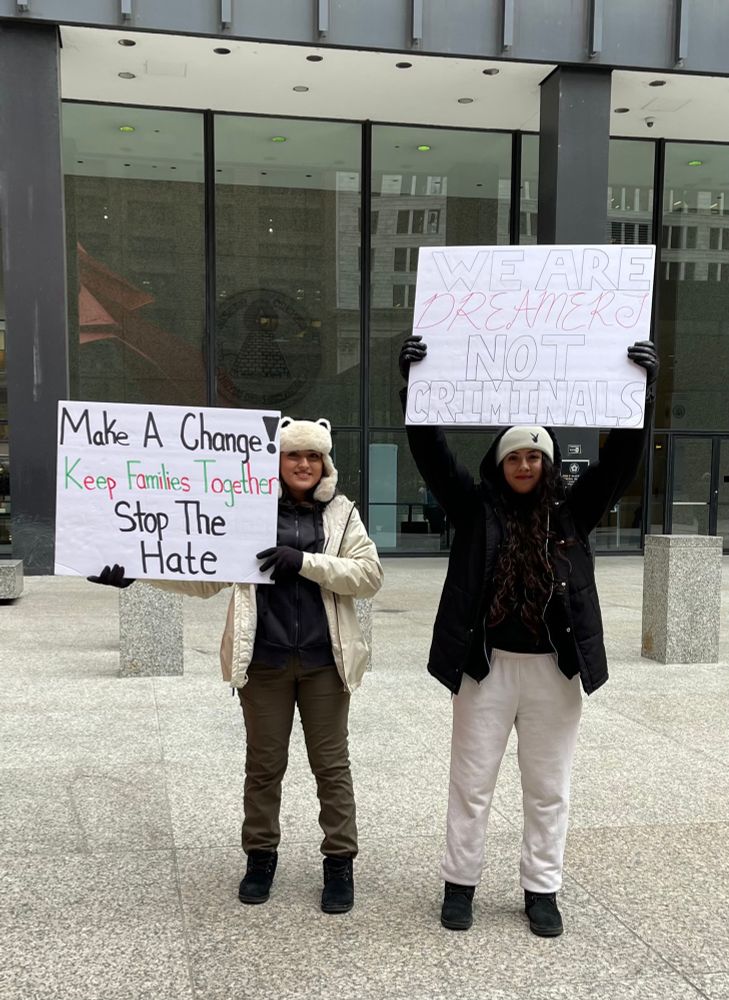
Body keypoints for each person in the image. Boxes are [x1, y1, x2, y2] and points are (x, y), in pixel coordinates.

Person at [398, 335, 658, 937]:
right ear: (499, 463)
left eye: (534, 457)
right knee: (471, 782)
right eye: (514, 456)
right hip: (485, 667)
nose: (524, 465)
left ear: (546, 465)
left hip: (553, 670)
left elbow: (619, 461)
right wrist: (415, 388)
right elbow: (432, 454)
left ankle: (542, 889)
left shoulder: (573, 512)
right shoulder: (473, 508)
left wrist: (640, 395)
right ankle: (460, 885)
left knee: (548, 789)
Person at [89, 416, 383, 914]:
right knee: (264, 766)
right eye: (294, 455)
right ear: (278, 460)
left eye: (313, 455)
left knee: (332, 768)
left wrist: (306, 562)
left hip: (325, 665)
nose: (304, 464)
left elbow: (369, 575)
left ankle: (339, 863)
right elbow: (203, 578)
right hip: (263, 662)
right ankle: (260, 855)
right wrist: (136, 573)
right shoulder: (244, 508)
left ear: (325, 462)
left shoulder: (342, 514)